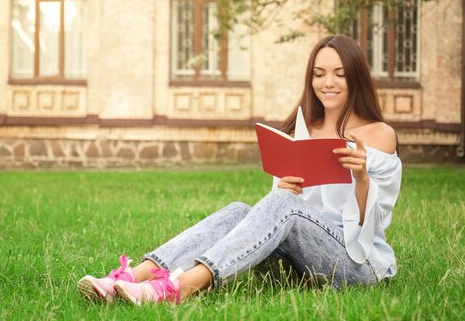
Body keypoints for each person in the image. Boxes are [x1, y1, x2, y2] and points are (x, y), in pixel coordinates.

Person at [78, 34, 402, 305]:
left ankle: (180, 287)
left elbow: (372, 227)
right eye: (319, 74)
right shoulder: (300, 131)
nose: (327, 82)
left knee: (284, 205)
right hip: (298, 269)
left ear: (355, 76)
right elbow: (272, 215)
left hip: (355, 266)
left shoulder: (378, 135)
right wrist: (284, 190)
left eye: (339, 73)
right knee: (239, 211)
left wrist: (361, 179)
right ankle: (128, 278)